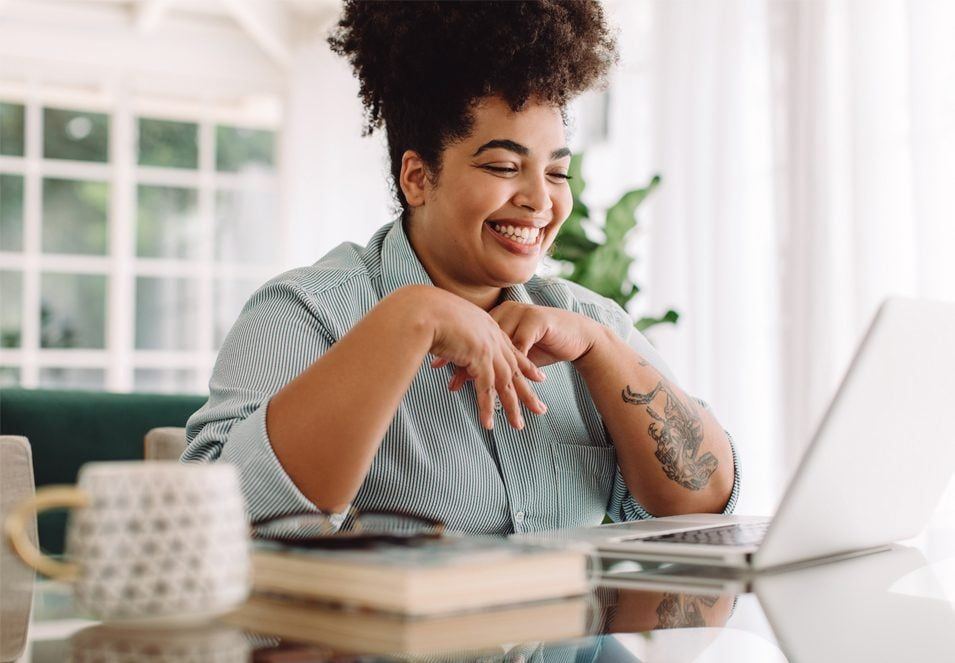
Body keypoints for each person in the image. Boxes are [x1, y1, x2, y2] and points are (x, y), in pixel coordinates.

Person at [184, 0, 740, 534]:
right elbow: (211, 525)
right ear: (418, 178)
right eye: (503, 166)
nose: (540, 201)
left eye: (556, 173)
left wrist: (602, 353)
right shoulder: (304, 313)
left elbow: (703, 507)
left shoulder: (586, 323)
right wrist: (409, 319)